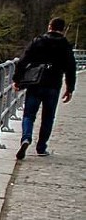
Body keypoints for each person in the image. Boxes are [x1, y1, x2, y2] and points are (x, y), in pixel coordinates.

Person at [12, 17, 76, 159]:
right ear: (63, 29)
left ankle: (26, 138)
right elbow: (71, 68)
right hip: (53, 85)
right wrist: (70, 88)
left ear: (49, 26)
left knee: (29, 114)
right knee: (48, 117)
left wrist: (17, 80)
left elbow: (23, 60)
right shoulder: (65, 45)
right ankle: (41, 147)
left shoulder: (38, 41)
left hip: (35, 83)